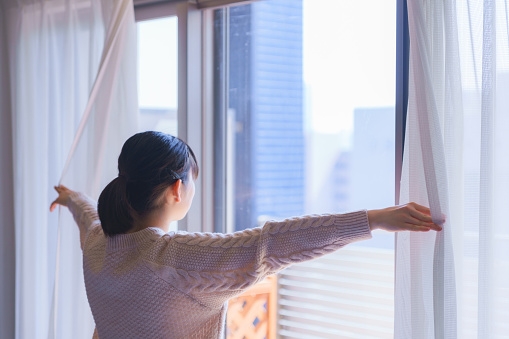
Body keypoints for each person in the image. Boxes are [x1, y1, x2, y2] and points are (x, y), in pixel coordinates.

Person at [50, 131, 442, 339]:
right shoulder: (173, 259)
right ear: (175, 189)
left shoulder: (100, 245)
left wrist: (71, 198)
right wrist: (372, 219)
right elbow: (271, 244)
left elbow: (88, 216)